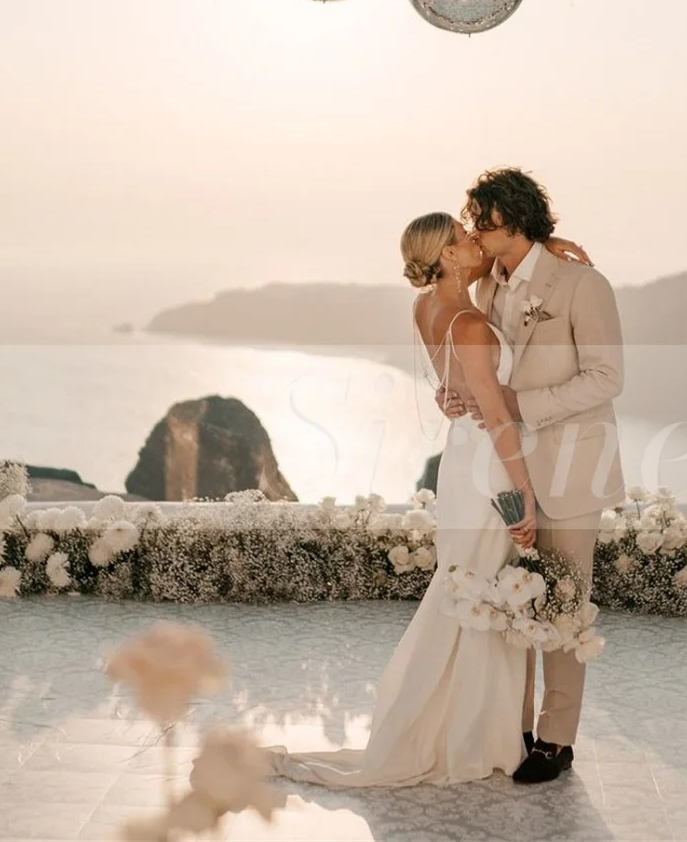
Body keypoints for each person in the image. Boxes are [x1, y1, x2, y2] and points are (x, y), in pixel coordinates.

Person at [262, 211, 591, 787]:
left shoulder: (426, 308)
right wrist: (524, 493)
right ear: (447, 256)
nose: (476, 242)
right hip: (491, 464)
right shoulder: (468, 321)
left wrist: (548, 244)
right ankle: (471, 733)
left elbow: (455, 384)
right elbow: (494, 415)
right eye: (465, 239)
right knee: (484, 596)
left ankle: (476, 723)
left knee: (469, 590)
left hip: (460, 463)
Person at [437, 167, 625, 784]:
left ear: (511, 221)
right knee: (508, 597)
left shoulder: (580, 282)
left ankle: (555, 739)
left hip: (572, 467)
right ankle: (511, 728)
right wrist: (458, 396)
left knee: (565, 601)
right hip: (504, 470)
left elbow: (607, 377)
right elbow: (478, 368)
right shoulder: (484, 290)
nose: (472, 231)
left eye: (480, 221)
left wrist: (524, 405)